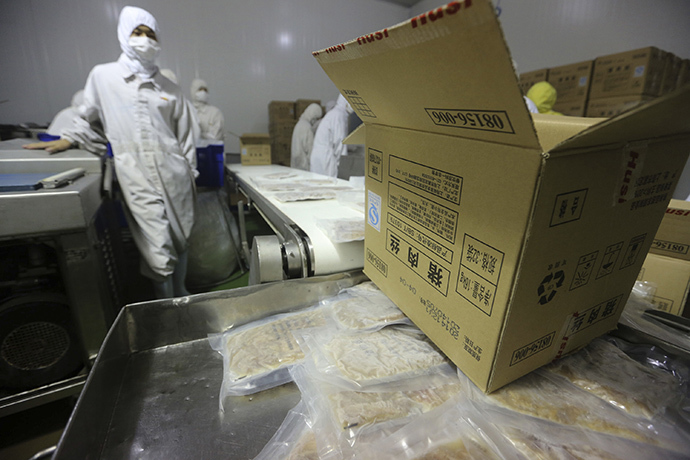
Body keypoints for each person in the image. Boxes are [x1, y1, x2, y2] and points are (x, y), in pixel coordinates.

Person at [23, 6, 198, 299]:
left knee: (180, 238)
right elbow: (86, 116)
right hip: (135, 171)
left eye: (151, 34)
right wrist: (69, 139)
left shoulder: (169, 87)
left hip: (175, 171)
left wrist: (190, 171)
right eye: (137, 32)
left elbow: (187, 135)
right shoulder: (104, 77)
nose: (145, 40)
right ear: (123, 35)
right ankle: (166, 304)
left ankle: (181, 291)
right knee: (157, 246)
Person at [310, 94, 353, 177]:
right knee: (328, 184)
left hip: (319, 155)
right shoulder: (339, 115)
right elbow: (340, 143)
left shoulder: (334, 114)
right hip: (326, 158)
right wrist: (343, 164)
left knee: (317, 183)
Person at [190, 78, 225, 143]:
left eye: (205, 90)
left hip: (212, 151)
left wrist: (198, 134)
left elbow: (216, 137)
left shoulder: (215, 113)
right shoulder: (188, 111)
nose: (203, 93)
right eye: (200, 90)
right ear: (193, 92)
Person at [290, 103, 323, 171]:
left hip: (295, 165)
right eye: (316, 118)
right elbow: (310, 150)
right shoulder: (307, 128)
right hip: (304, 167)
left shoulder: (299, 124)